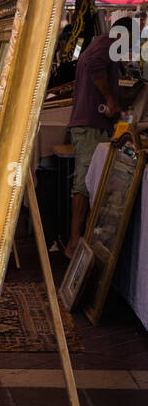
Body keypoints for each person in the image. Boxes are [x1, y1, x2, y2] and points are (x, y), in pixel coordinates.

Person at [65, 16, 138, 258]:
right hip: (89, 125)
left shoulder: (100, 43)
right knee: (85, 183)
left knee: (90, 181)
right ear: (122, 35)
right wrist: (109, 98)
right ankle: (74, 244)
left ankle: (81, 241)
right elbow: (95, 65)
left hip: (93, 124)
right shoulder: (107, 44)